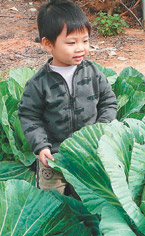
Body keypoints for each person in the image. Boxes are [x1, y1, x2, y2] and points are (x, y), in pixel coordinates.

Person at [18, 0, 117, 196]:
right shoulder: (39, 83)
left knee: (88, 199)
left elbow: (108, 102)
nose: (80, 48)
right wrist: (41, 146)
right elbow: (29, 116)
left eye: (85, 41)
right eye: (71, 42)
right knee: (50, 202)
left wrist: (100, 131)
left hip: (89, 153)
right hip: (53, 157)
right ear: (48, 44)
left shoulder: (93, 73)